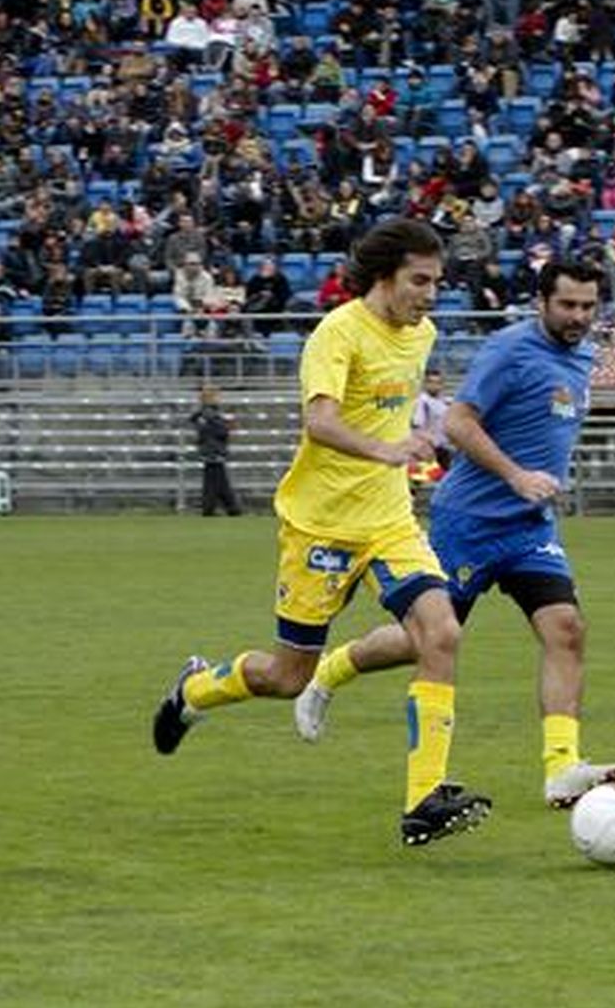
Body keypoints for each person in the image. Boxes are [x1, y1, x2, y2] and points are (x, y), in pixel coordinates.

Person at [151, 219, 491, 847]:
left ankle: (423, 800)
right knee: (288, 678)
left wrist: (410, 454)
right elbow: (322, 423)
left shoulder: (423, 335)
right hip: (321, 526)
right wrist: (386, 451)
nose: (431, 294)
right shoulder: (337, 334)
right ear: (385, 276)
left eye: (437, 282)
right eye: (420, 281)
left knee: (441, 632)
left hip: (388, 522)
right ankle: (195, 687)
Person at [293, 261, 615, 810]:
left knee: (566, 629)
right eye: (567, 305)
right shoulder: (509, 350)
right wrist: (517, 475)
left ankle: (562, 768)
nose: (578, 316)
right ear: (541, 301)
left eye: (588, 306)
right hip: (469, 522)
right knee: (418, 641)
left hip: (528, 529)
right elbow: (458, 423)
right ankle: (328, 672)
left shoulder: (587, 356)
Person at [188, 385, 242, 517]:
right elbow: (220, 431)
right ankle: (223, 508)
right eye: (217, 396)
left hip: (208, 451)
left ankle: (227, 508)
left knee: (216, 481)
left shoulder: (203, 414)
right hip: (214, 451)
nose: (219, 398)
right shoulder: (210, 414)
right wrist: (229, 426)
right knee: (216, 482)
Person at [411, 368, 453, 476]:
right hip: (429, 450)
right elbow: (417, 426)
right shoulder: (422, 401)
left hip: (443, 449)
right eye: (431, 382)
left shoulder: (444, 402)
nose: (434, 385)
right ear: (425, 384)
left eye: (438, 382)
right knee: (428, 481)